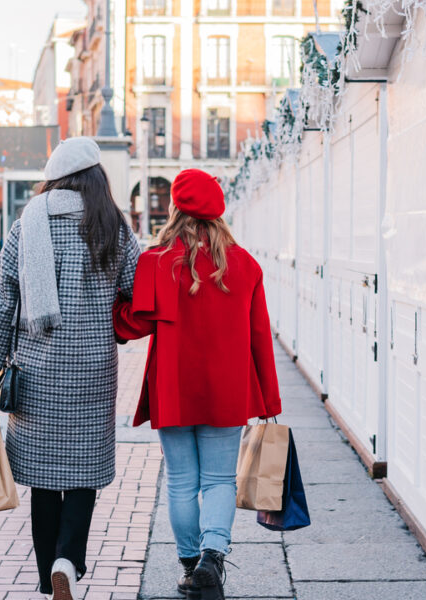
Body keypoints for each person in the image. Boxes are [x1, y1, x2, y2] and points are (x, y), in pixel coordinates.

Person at [0, 137, 141, 600]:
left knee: (45, 480)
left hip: (36, 371)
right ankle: (69, 558)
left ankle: (49, 577)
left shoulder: (28, 224)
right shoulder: (113, 226)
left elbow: (0, 302)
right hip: (92, 372)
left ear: (54, 177)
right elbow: (136, 290)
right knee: (83, 473)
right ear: (95, 178)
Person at [112, 169, 282, 600]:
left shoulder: (156, 262)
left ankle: (191, 567)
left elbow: (131, 326)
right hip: (227, 390)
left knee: (182, 481)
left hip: (174, 387)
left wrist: (115, 302)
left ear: (175, 209)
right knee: (220, 480)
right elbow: (261, 335)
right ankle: (213, 556)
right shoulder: (244, 265)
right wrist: (270, 400)